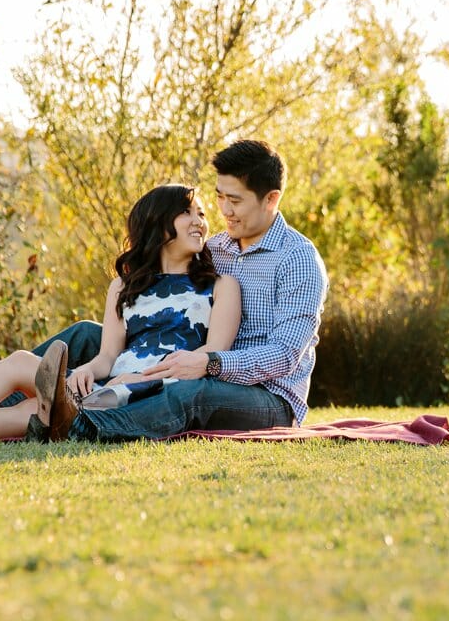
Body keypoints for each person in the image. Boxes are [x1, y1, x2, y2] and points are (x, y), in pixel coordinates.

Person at [0, 184, 241, 441]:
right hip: (112, 381)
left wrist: (139, 376)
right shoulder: (124, 287)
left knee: (32, 403)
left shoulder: (220, 287)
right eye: (188, 213)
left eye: (201, 213)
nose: (201, 222)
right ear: (158, 226)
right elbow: (108, 355)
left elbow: (209, 360)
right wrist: (89, 370)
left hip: (152, 393)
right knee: (27, 384)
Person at [28, 138, 328, 441]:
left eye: (235, 201)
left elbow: (286, 354)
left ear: (271, 200)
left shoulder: (297, 259)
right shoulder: (214, 248)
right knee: (85, 334)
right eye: (220, 197)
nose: (225, 210)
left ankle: (82, 426)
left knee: (191, 392)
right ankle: (8, 395)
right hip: (196, 357)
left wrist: (211, 363)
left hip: (263, 396)